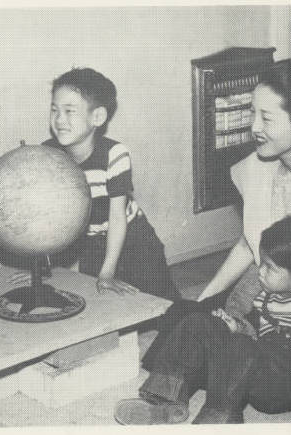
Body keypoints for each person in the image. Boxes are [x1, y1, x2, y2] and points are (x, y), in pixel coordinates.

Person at [139, 59, 291, 403]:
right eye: (252, 113)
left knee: (268, 374)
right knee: (182, 316)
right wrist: (205, 298)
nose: (253, 127)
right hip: (265, 288)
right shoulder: (257, 168)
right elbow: (247, 245)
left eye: (266, 118)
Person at [114, 212, 291, 424]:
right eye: (262, 262)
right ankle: (165, 402)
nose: (260, 271)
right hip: (249, 361)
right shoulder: (260, 283)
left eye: (270, 267)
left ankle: (219, 419)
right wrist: (225, 322)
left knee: (240, 345)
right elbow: (237, 313)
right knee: (197, 320)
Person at [13, 67, 177, 299]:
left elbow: (117, 216)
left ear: (97, 117)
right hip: (90, 244)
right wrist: (40, 271)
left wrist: (107, 272)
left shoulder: (114, 154)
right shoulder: (49, 153)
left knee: (162, 304)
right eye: (54, 110)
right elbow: (45, 218)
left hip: (134, 239)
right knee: (101, 305)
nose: (59, 120)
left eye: (70, 111)